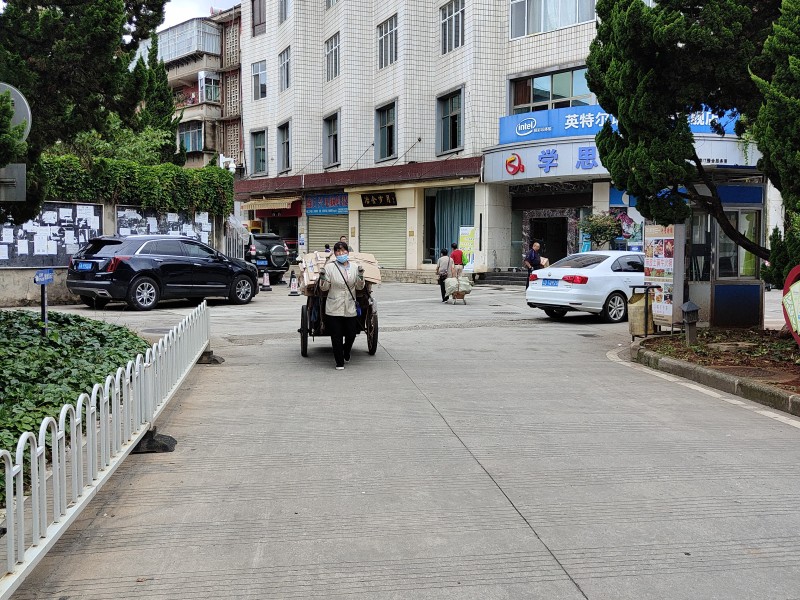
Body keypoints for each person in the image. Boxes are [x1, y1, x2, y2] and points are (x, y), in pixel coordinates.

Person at [318, 241, 365, 369]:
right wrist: (323, 278)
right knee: (336, 336)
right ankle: (339, 362)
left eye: (343, 251)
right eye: (338, 251)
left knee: (351, 334)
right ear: (335, 254)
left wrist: (361, 275)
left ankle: (346, 350)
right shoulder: (329, 268)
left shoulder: (355, 267)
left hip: (350, 306)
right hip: (334, 306)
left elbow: (359, 287)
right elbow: (324, 288)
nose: (341, 253)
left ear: (348, 252)